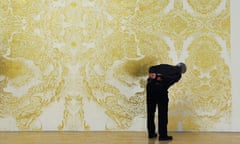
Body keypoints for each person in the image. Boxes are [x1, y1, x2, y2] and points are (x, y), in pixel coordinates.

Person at [146, 62, 186, 141]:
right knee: (162, 114)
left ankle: (151, 133)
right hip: (161, 90)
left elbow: (151, 67)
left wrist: (153, 74)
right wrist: (158, 77)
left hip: (150, 87)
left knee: (150, 112)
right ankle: (163, 136)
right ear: (182, 71)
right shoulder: (178, 75)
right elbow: (169, 80)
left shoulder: (165, 66)